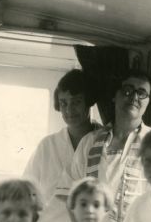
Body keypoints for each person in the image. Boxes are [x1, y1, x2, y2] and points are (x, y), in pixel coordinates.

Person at [32, 69, 151, 222]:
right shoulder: (90, 142)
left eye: (142, 93)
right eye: (127, 90)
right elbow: (67, 193)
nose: (134, 97)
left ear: (148, 101)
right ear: (115, 96)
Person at [23, 69, 98, 204]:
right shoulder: (47, 146)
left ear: (89, 101)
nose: (69, 110)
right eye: (64, 103)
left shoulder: (105, 139)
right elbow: (26, 191)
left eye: (76, 102)